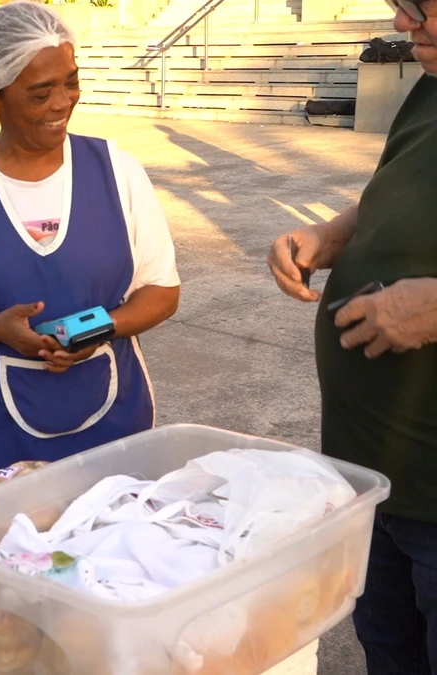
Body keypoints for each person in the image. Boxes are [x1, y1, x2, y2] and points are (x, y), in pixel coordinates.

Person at [0, 2, 180, 470]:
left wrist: (100, 330)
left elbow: (162, 291)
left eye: (70, 81)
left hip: (117, 426)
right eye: (39, 92)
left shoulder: (116, 171)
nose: (62, 102)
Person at [267, 0, 437, 669]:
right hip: (371, 475)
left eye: (420, 9)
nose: (403, 26)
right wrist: (332, 235)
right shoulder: (431, 83)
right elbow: (398, 190)